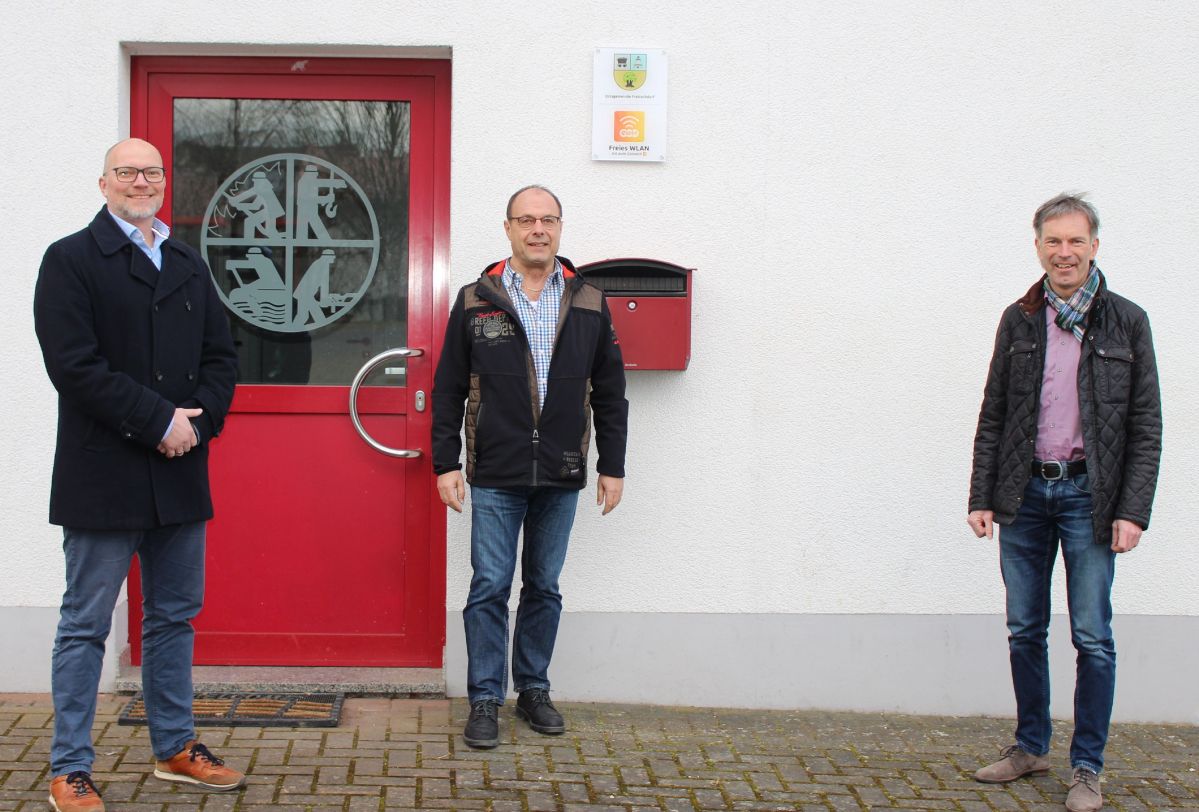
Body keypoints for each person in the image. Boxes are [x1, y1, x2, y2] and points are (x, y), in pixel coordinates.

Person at [34, 138, 243, 812]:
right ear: (104, 183)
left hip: (180, 474)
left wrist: (200, 421)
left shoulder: (185, 261)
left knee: (173, 618)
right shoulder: (69, 260)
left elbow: (221, 355)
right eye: (127, 172)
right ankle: (69, 767)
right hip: (104, 474)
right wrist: (160, 421)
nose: (141, 182)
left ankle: (174, 746)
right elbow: (75, 367)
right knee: (85, 625)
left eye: (152, 173)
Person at [967, 194, 1161, 811]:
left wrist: (1132, 510)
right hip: (1023, 495)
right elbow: (994, 411)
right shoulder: (1018, 320)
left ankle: (1087, 769)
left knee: (1091, 636)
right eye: (1053, 241)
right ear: (1038, 246)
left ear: (1094, 247)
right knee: (1024, 628)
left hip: (1090, 497)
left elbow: (1145, 424)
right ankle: (1030, 746)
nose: (1064, 252)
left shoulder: (1127, 321)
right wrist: (982, 494)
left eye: (1076, 241)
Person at [432, 185, 628, 749]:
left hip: (562, 470)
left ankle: (534, 690)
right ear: (508, 228)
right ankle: (486, 699)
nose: (537, 229)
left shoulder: (589, 299)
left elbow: (611, 392)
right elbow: (447, 388)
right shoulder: (477, 299)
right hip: (495, 470)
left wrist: (612, 465)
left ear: (560, 228)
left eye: (547, 220)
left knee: (544, 586)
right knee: (490, 586)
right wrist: (447, 462)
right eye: (526, 219)